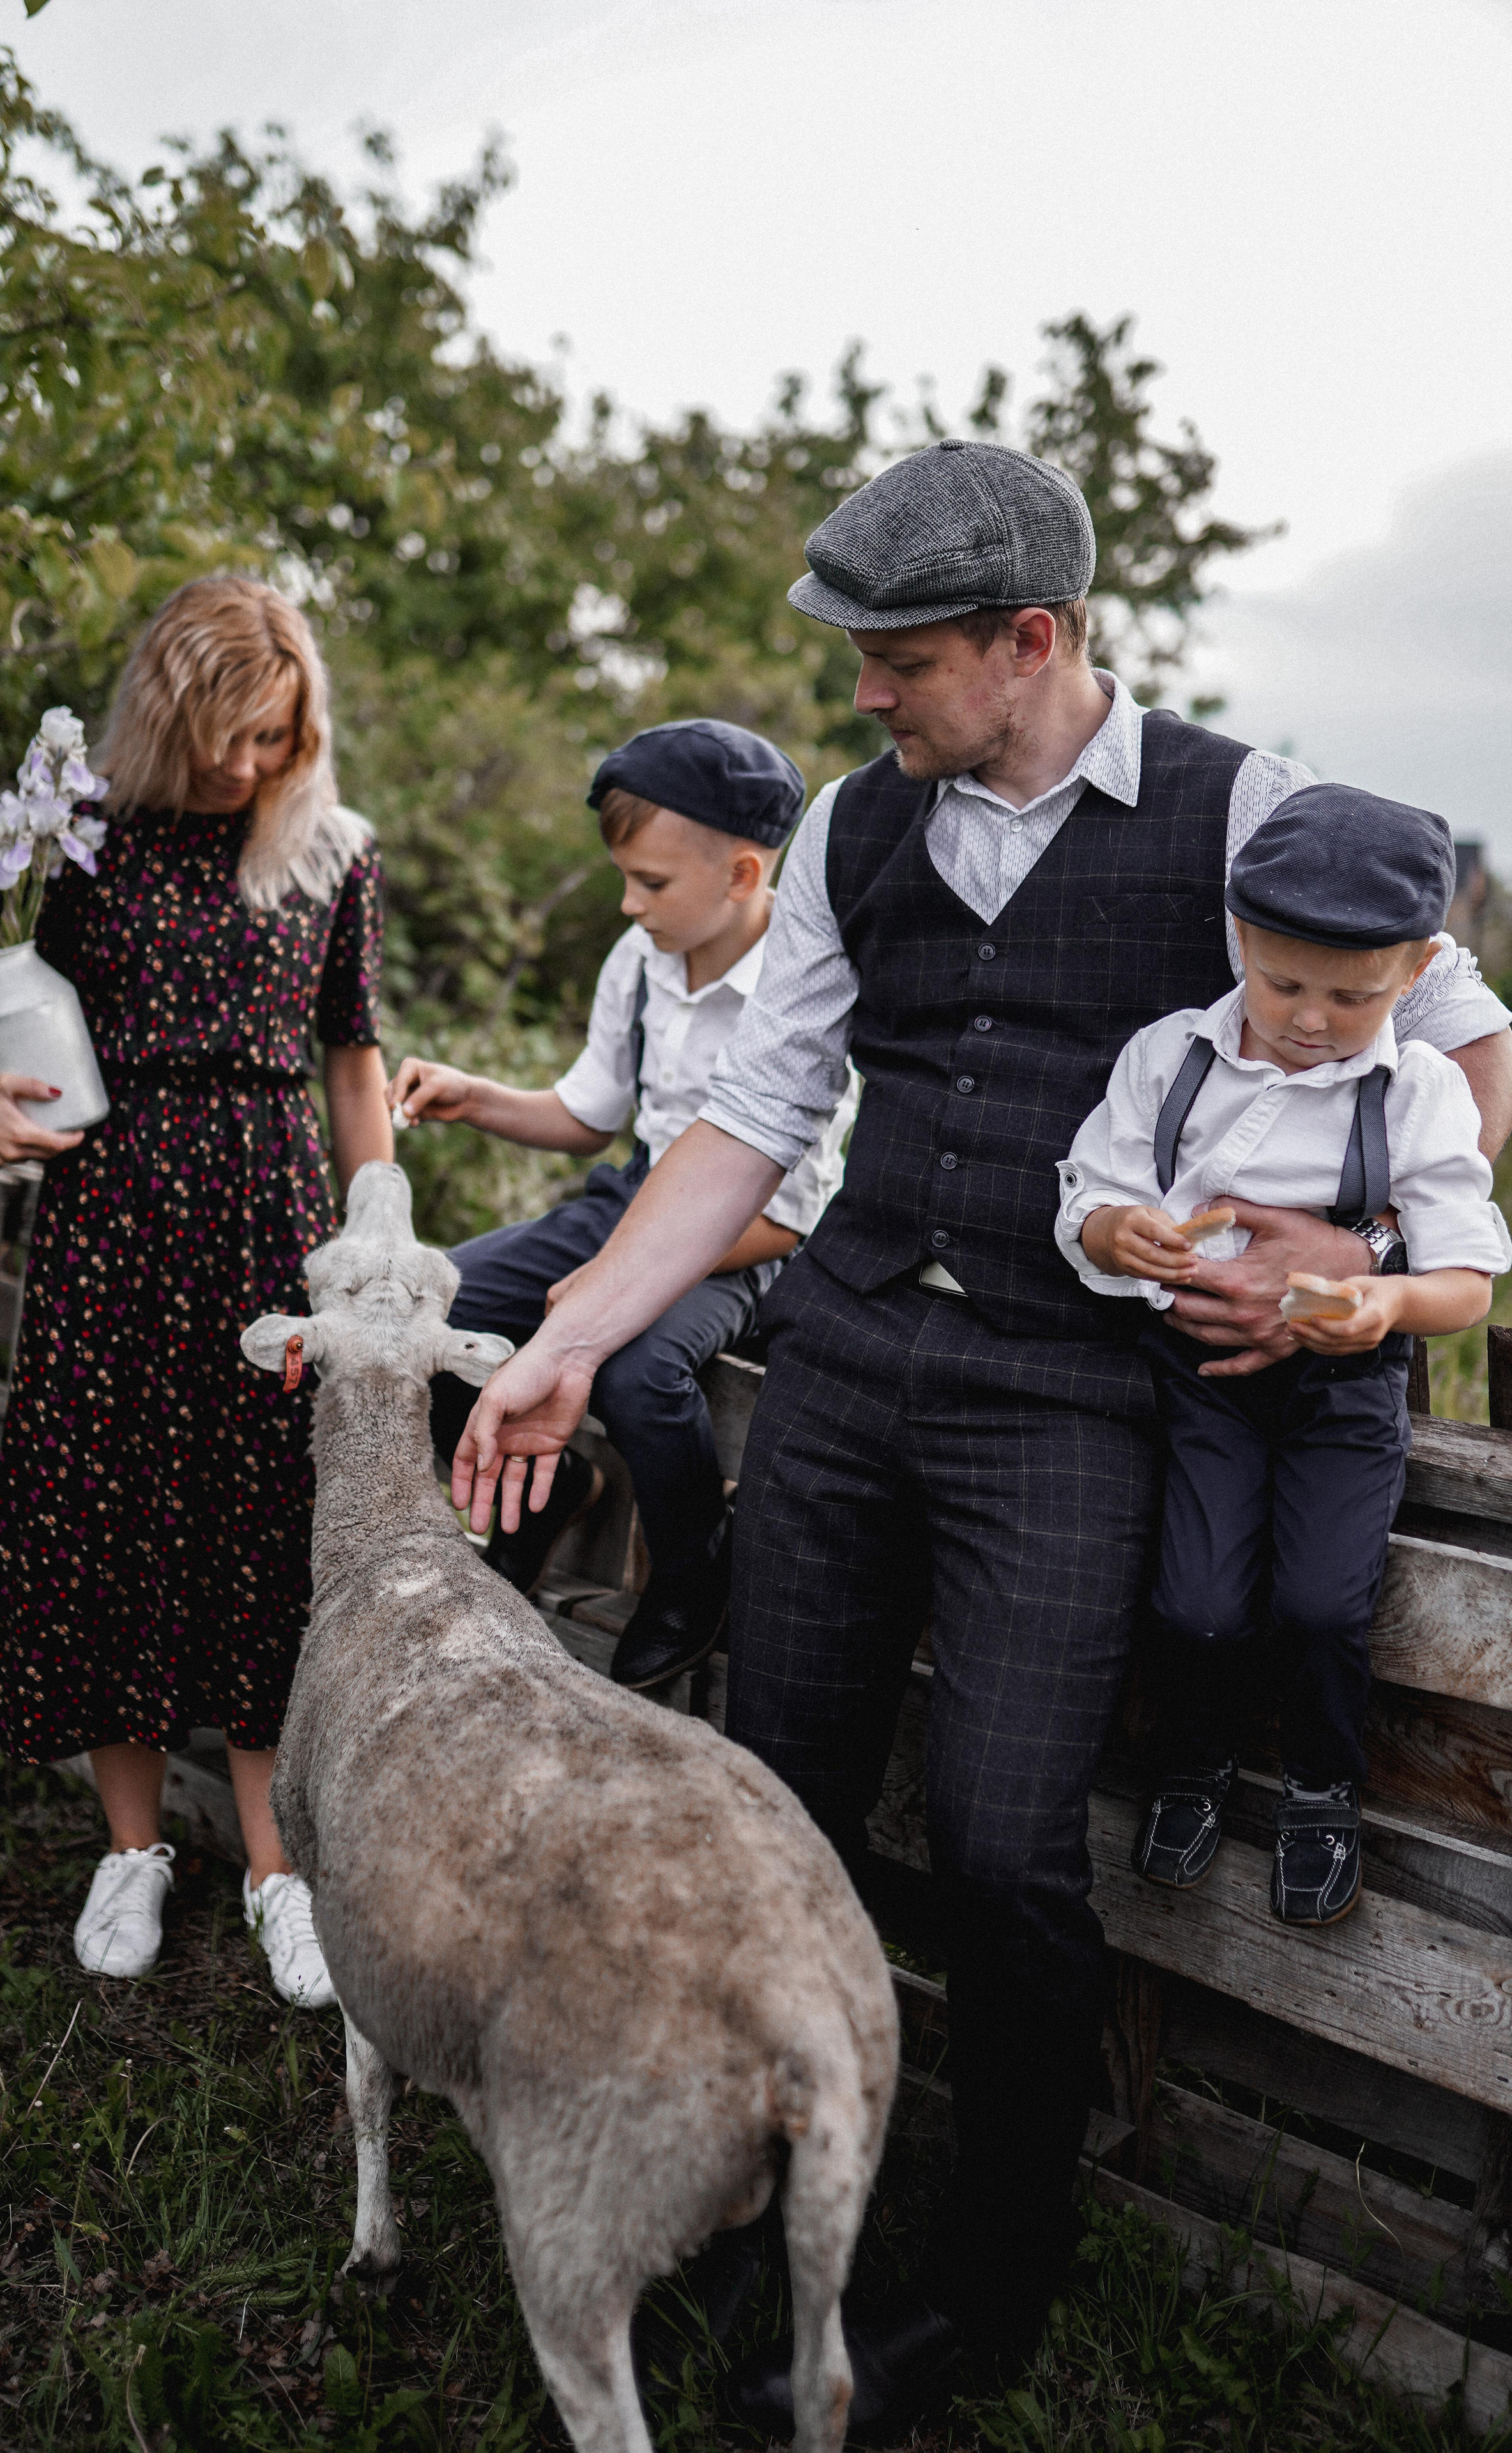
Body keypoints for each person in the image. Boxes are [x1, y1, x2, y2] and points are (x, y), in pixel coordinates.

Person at [442, 438, 1512, 2436]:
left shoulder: (1247, 814)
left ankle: (986, 2285)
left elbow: (1454, 1029)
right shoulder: (858, 826)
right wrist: (573, 1332)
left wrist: (1352, 1243)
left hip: (1073, 1401)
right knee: (780, 1806)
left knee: (1017, 1847)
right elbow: (748, 1123)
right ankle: (758, 2211)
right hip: (846, 1366)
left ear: (1030, 641)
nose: (861, 695)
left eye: (896, 660)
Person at [0, 576, 393, 2005]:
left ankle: (275, 1869)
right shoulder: (78, 844)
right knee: (104, 1514)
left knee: (260, 1528)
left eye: (272, 738)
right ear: (159, 714)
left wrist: (376, 1242)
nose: (243, 766)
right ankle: (132, 1850)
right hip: (106, 1222)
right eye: (218, 737)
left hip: (267, 1216)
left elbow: (354, 1063)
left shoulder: (333, 857)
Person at [1058, 786, 1508, 1923]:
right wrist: (1121, 1231)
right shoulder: (1172, 1060)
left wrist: (1381, 1303)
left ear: (1414, 977)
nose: (1312, 1020)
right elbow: (1091, 1194)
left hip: (1342, 1392)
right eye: (1285, 985)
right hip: (1200, 1377)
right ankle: (1195, 1762)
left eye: (1354, 997)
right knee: (1198, 1604)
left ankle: (1321, 1785)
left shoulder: (1420, 1090)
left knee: (1320, 1604)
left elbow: (1465, 1277)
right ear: (1239, 943)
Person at [388, 718, 855, 1690]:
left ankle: (693, 1570)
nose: (628, 903)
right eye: (626, 879)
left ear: (741, 875)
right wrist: (473, 1096)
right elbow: (590, 1111)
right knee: (419, 1306)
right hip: (631, 1195)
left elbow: (789, 1216)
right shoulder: (639, 959)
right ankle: (552, 1487)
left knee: (638, 1370)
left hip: (751, 1238)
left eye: (651, 883)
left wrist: (614, 1284)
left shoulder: (801, 993)